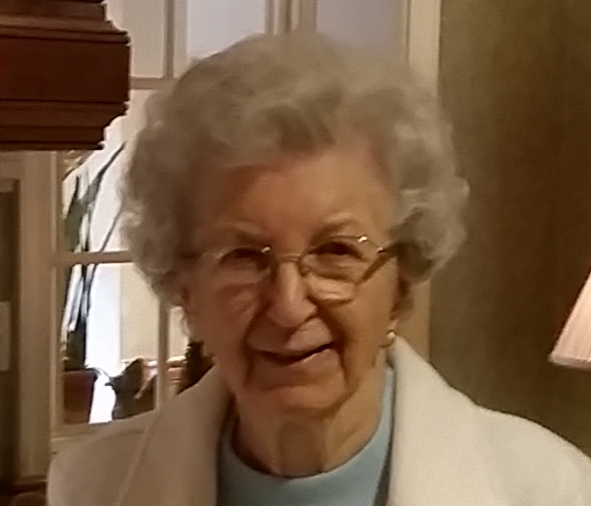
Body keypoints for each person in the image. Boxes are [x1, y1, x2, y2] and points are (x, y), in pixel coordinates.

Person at [48, 33, 591, 506]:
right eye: (243, 256)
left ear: (401, 285)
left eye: (335, 252)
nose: (288, 307)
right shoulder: (93, 486)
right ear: (185, 290)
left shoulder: (548, 490)